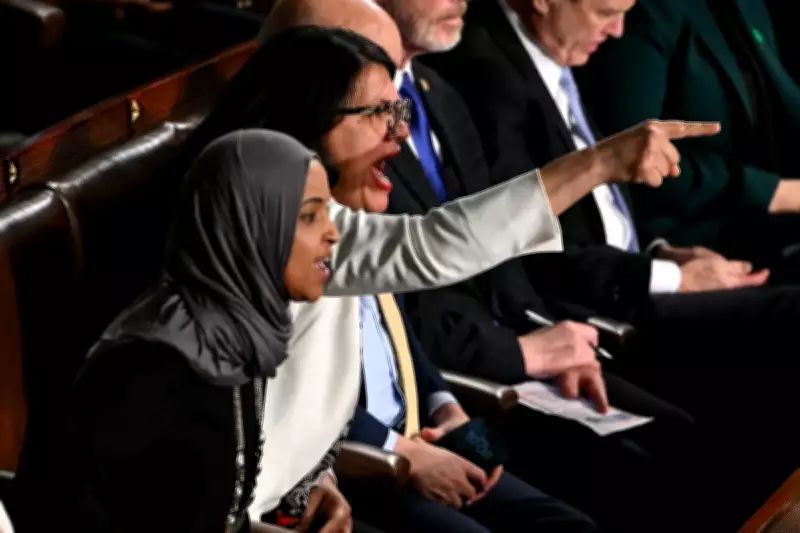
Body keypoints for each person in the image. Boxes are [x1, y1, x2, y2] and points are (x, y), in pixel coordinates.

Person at [7, 129, 347, 532]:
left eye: (327, 212)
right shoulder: (152, 369)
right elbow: (62, 507)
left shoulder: (237, 335)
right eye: (309, 216)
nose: (332, 233)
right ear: (249, 227)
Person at [577, 0, 800, 274]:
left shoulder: (749, 6)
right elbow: (632, 158)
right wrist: (776, 193)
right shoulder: (642, 11)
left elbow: (782, 109)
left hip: (766, 227)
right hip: (687, 241)